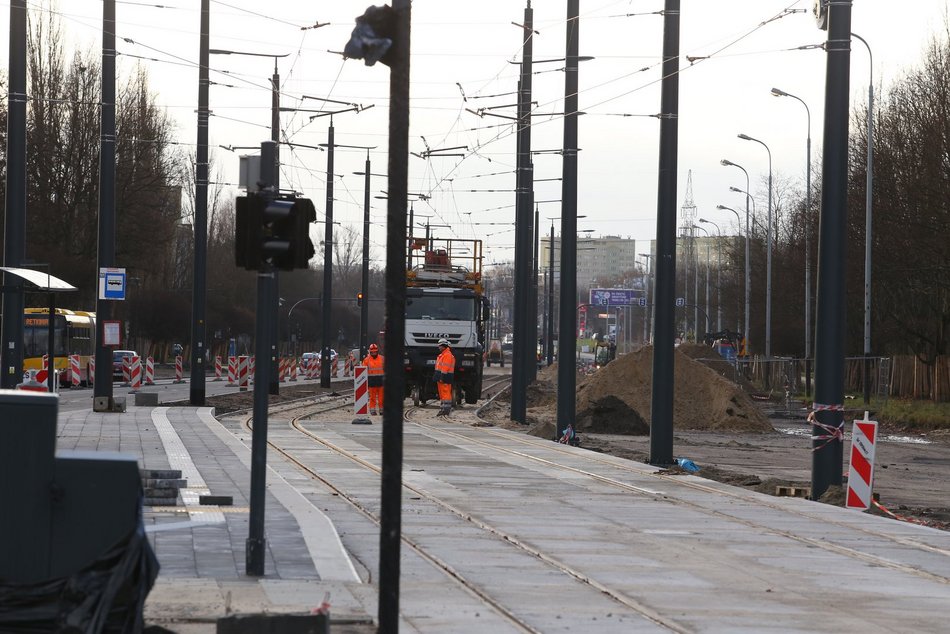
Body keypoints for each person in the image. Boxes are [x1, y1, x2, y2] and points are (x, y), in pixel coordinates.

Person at [433, 338, 455, 417]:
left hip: (445, 377)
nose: (438, 347)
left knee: (445, 392)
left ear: (443, 346)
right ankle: (443, 408)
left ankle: (446, 409)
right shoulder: (442, 355)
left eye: (440, 346)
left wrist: (442, 376)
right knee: (442, 393)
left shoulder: (447, 355)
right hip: (441, 376)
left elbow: (445, 368)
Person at [362, 343, 384, 415]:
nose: (374, 353)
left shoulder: (382, 358)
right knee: (372, 397)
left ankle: (382, 410)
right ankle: (372, 410)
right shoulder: (366, 360)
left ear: (377, 351)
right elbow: (363, 371)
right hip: (371, 382)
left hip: (381, 381)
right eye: (372, 352)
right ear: (370, 352)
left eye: (375, 351)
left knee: (382, 397)